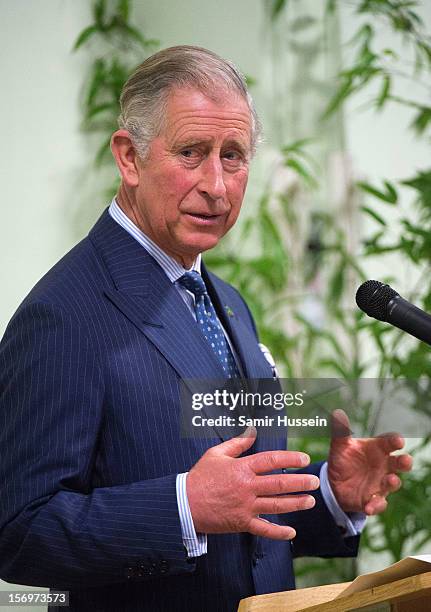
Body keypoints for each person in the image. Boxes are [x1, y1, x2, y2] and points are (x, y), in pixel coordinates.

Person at [0, 46, 412, 612]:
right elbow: (20, 531)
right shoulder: (64, 314)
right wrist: (182, 509)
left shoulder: (229, 302)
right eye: (191, 153)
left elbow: (238, 507)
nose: (217, 185)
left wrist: (331, 497)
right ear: (129, 157)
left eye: (234, 156)